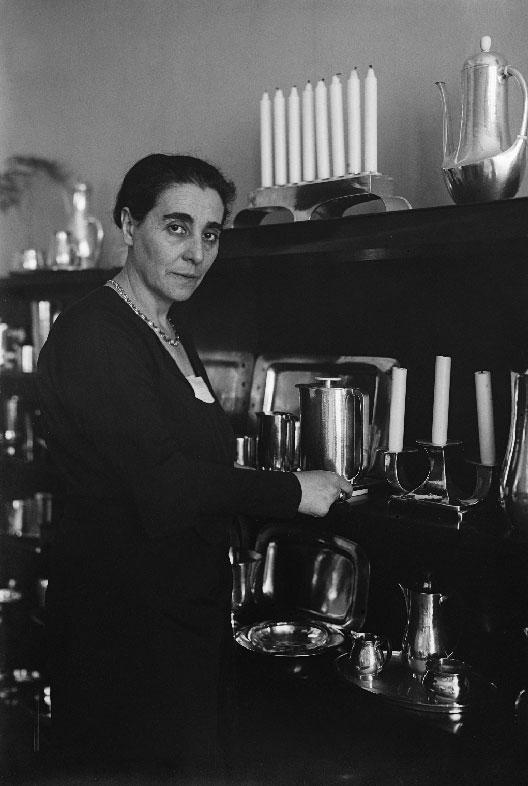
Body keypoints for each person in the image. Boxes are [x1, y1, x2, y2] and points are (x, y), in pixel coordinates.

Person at [37, 153, 352, 780]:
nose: (197, 253)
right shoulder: (92, 335)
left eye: (211, 235)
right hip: (120, 633)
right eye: (176, 228)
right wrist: (293, 490)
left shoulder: (168, 331)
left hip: (181, 620)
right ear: (129, 223)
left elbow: (196, 457)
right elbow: (164, 483)